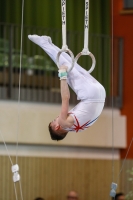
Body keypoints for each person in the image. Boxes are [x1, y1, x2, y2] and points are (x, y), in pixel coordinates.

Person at [28, 35, 106, 141]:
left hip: (101, 93)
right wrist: (62, 76)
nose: (56, 119)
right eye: (54, 121)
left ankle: (50, 44)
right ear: (57, 127)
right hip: (90, 94)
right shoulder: (63, 123)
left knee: (72, 65)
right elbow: (65, 98)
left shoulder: (78, 129)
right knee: (65, 67)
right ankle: (44, 43)